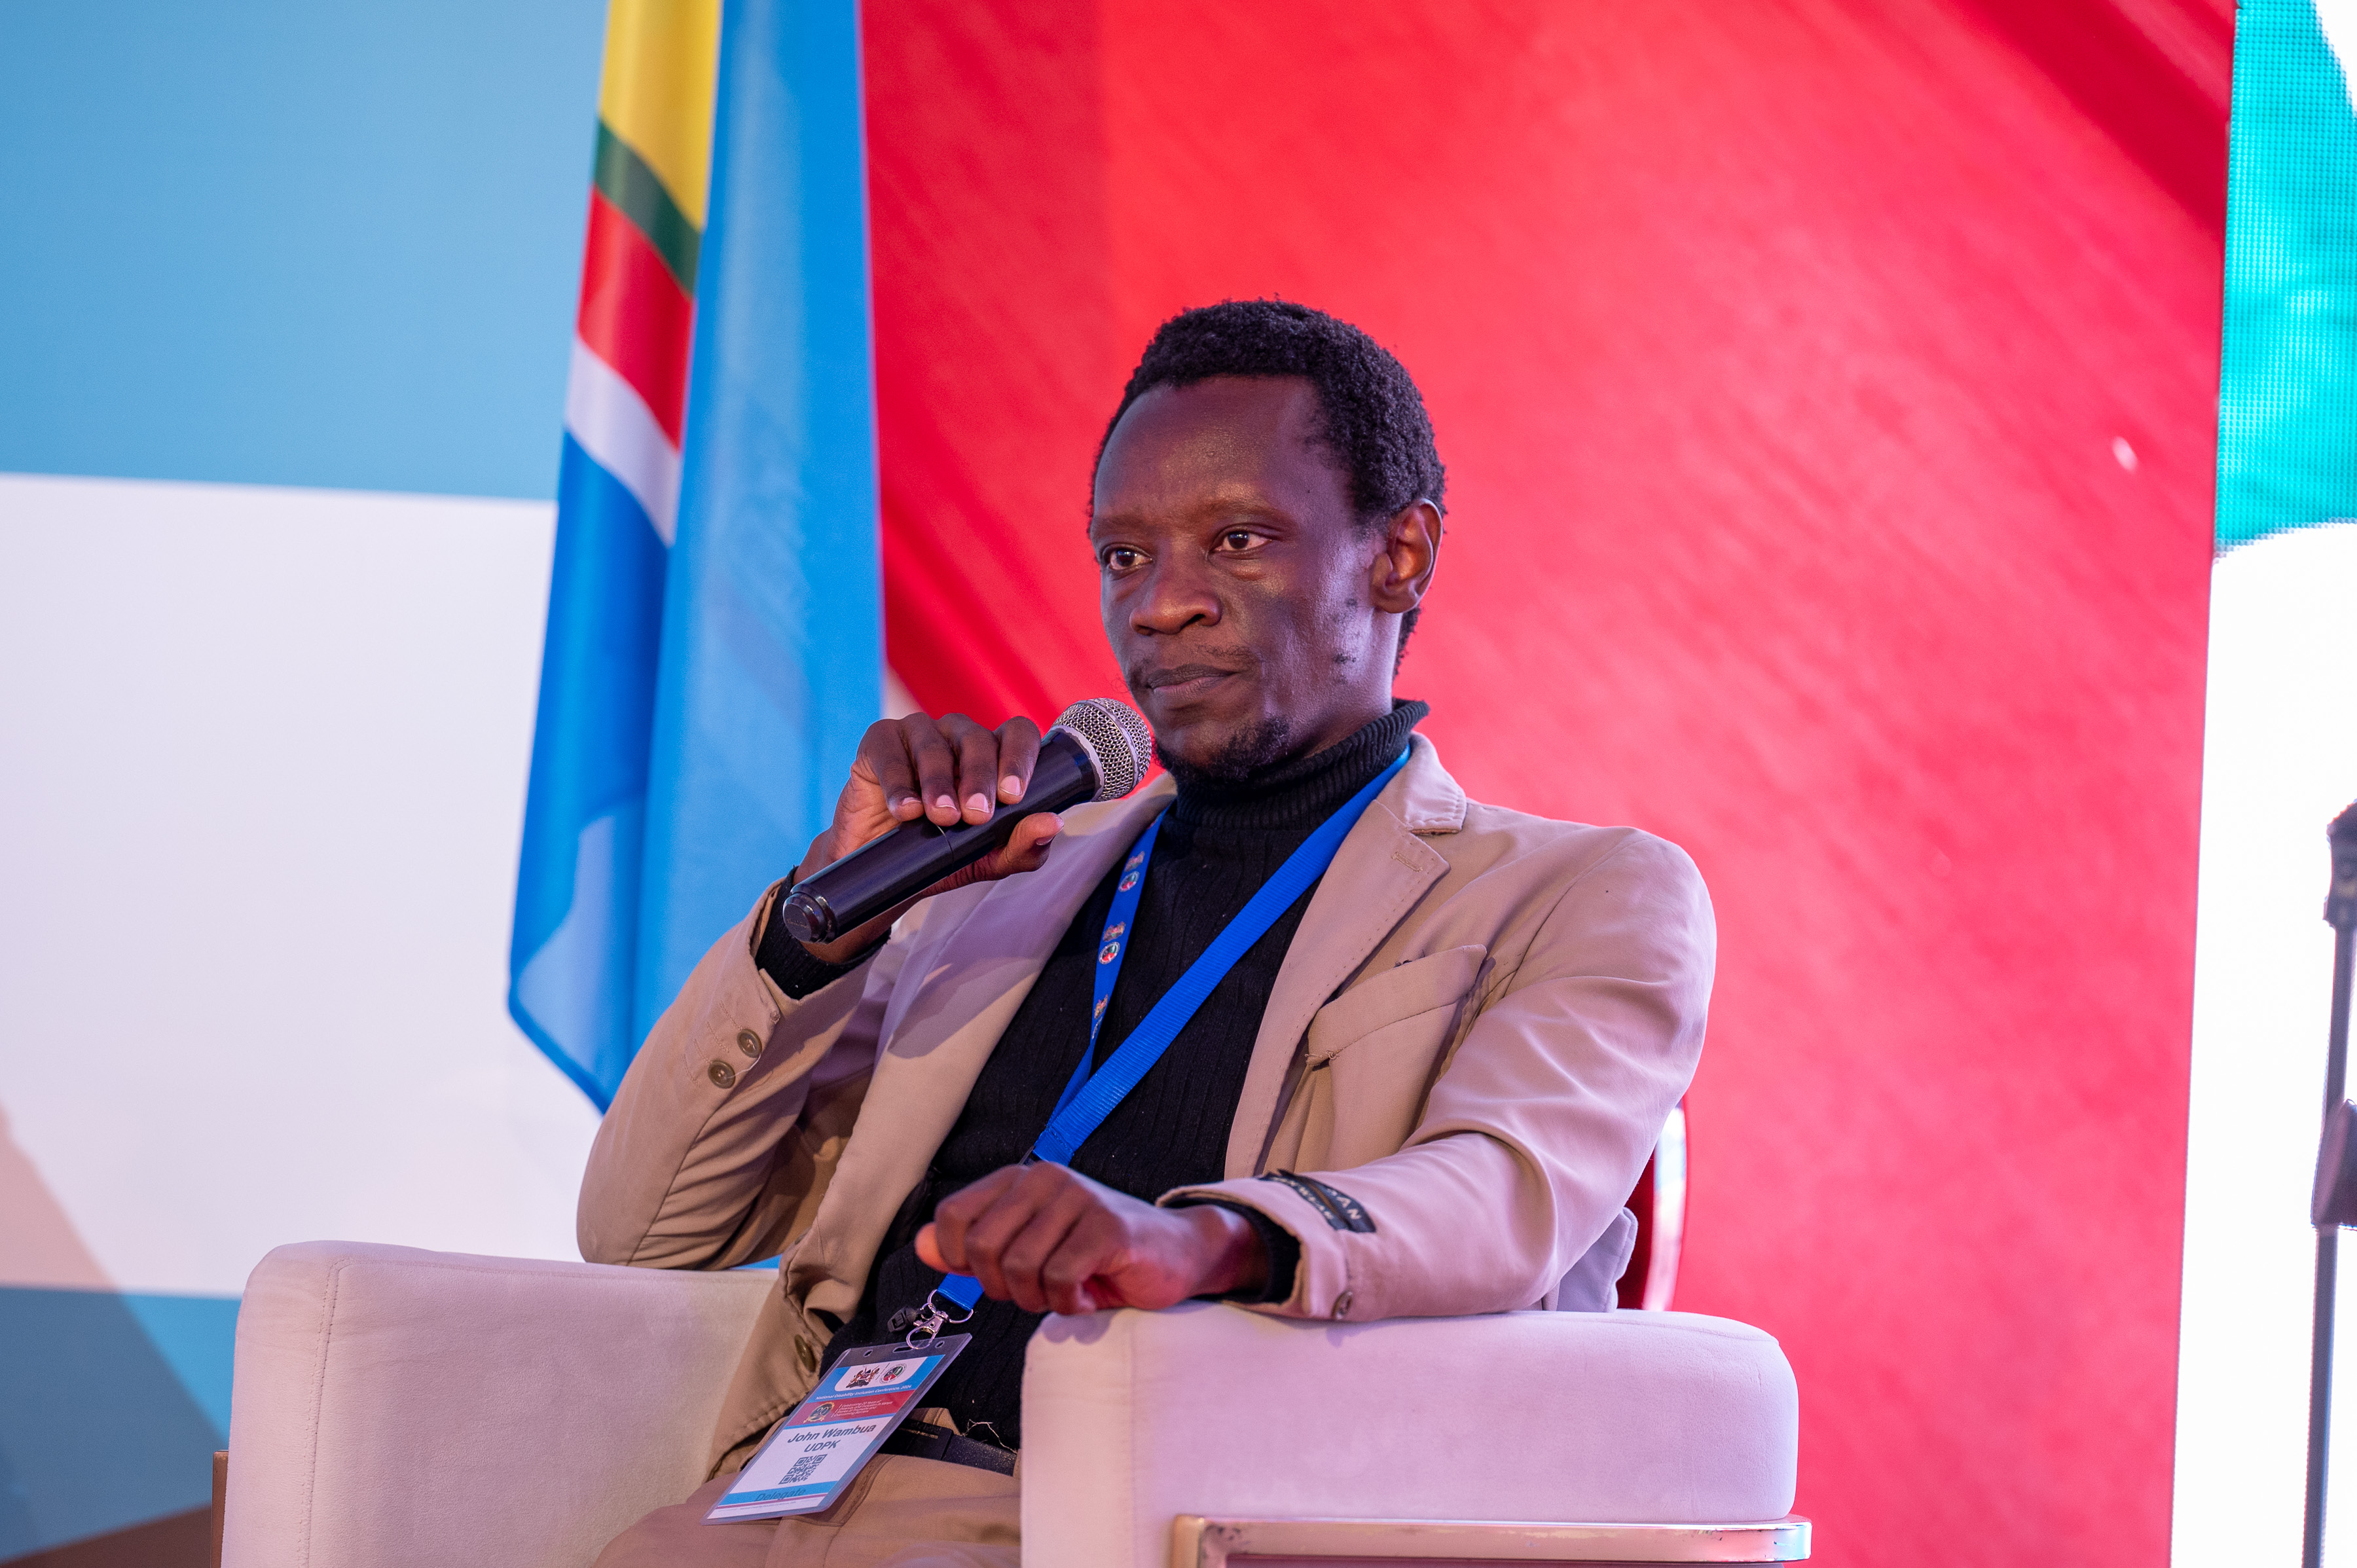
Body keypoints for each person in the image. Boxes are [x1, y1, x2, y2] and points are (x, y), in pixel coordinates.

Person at [584, 299, 1714, 1568]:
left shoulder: (1581, 892)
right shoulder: (1000, 875)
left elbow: (1501, 1195)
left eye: (1237, 540)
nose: (1163, 603)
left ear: (1399, 555)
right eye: (1124, 556)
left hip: (1139, 1525)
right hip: (784, 1502)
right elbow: (643, 1231)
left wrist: (1199, 1236)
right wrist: (818, 920)